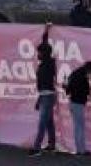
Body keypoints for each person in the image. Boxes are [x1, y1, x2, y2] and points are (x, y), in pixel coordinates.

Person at [29, 25, 57, 156]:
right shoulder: (44, 64)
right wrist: (46, 31)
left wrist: (46, 34)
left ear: (44, 53)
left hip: (48, 96)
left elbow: (45, 46)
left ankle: (36, 148)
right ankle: (51, 145)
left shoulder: (49, 63)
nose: (37, 54)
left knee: (42, 123)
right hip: (45, 96)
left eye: (39, 52)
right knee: (49, 121)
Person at [64, 60, 91, 157]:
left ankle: (79, 149)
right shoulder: (82, 76)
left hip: (73, 102)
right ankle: (80, 151)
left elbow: (66, 85)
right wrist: (87, 92)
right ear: (89, 69)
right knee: (80, 127)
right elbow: (85, 89)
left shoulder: (75, 73)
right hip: (78, 103)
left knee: (78, 127)